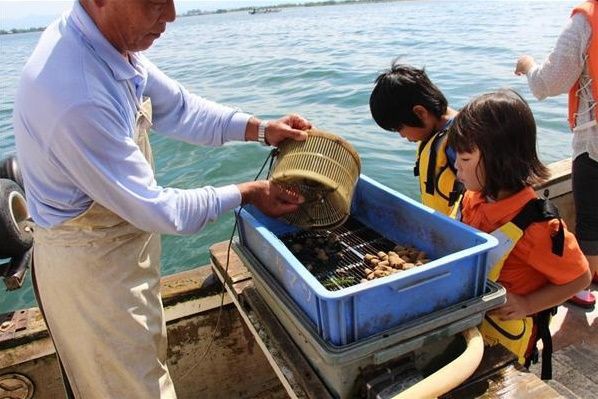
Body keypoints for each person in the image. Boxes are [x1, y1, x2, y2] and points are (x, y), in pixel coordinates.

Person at [12, 1, 312, 398]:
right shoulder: (76, 93)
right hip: (93, 278)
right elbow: (160, 210)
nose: (170, 15)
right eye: (154, 2)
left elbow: (181, 109)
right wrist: (250, 193)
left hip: (121, 253)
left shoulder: (110, 48)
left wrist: (262, 130)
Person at [448, 89, 591, 379]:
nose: (456, 167)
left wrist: (528, 304)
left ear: (499, 159)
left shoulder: (538, 228)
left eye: (463, 159)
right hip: (467, 322)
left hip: (502, 341)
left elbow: (581, 278)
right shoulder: (472, 198)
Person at [515, 0, 598, 308]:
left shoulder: (587, 19)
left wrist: (527, 65)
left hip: (594, 142)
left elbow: (552, 80)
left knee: (591, 213)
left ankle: (582, 284)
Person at [369, 61, 462, 216]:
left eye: (400, 128)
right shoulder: (437, 134)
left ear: (420, 113)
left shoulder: (461, 142)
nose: (402, 135)